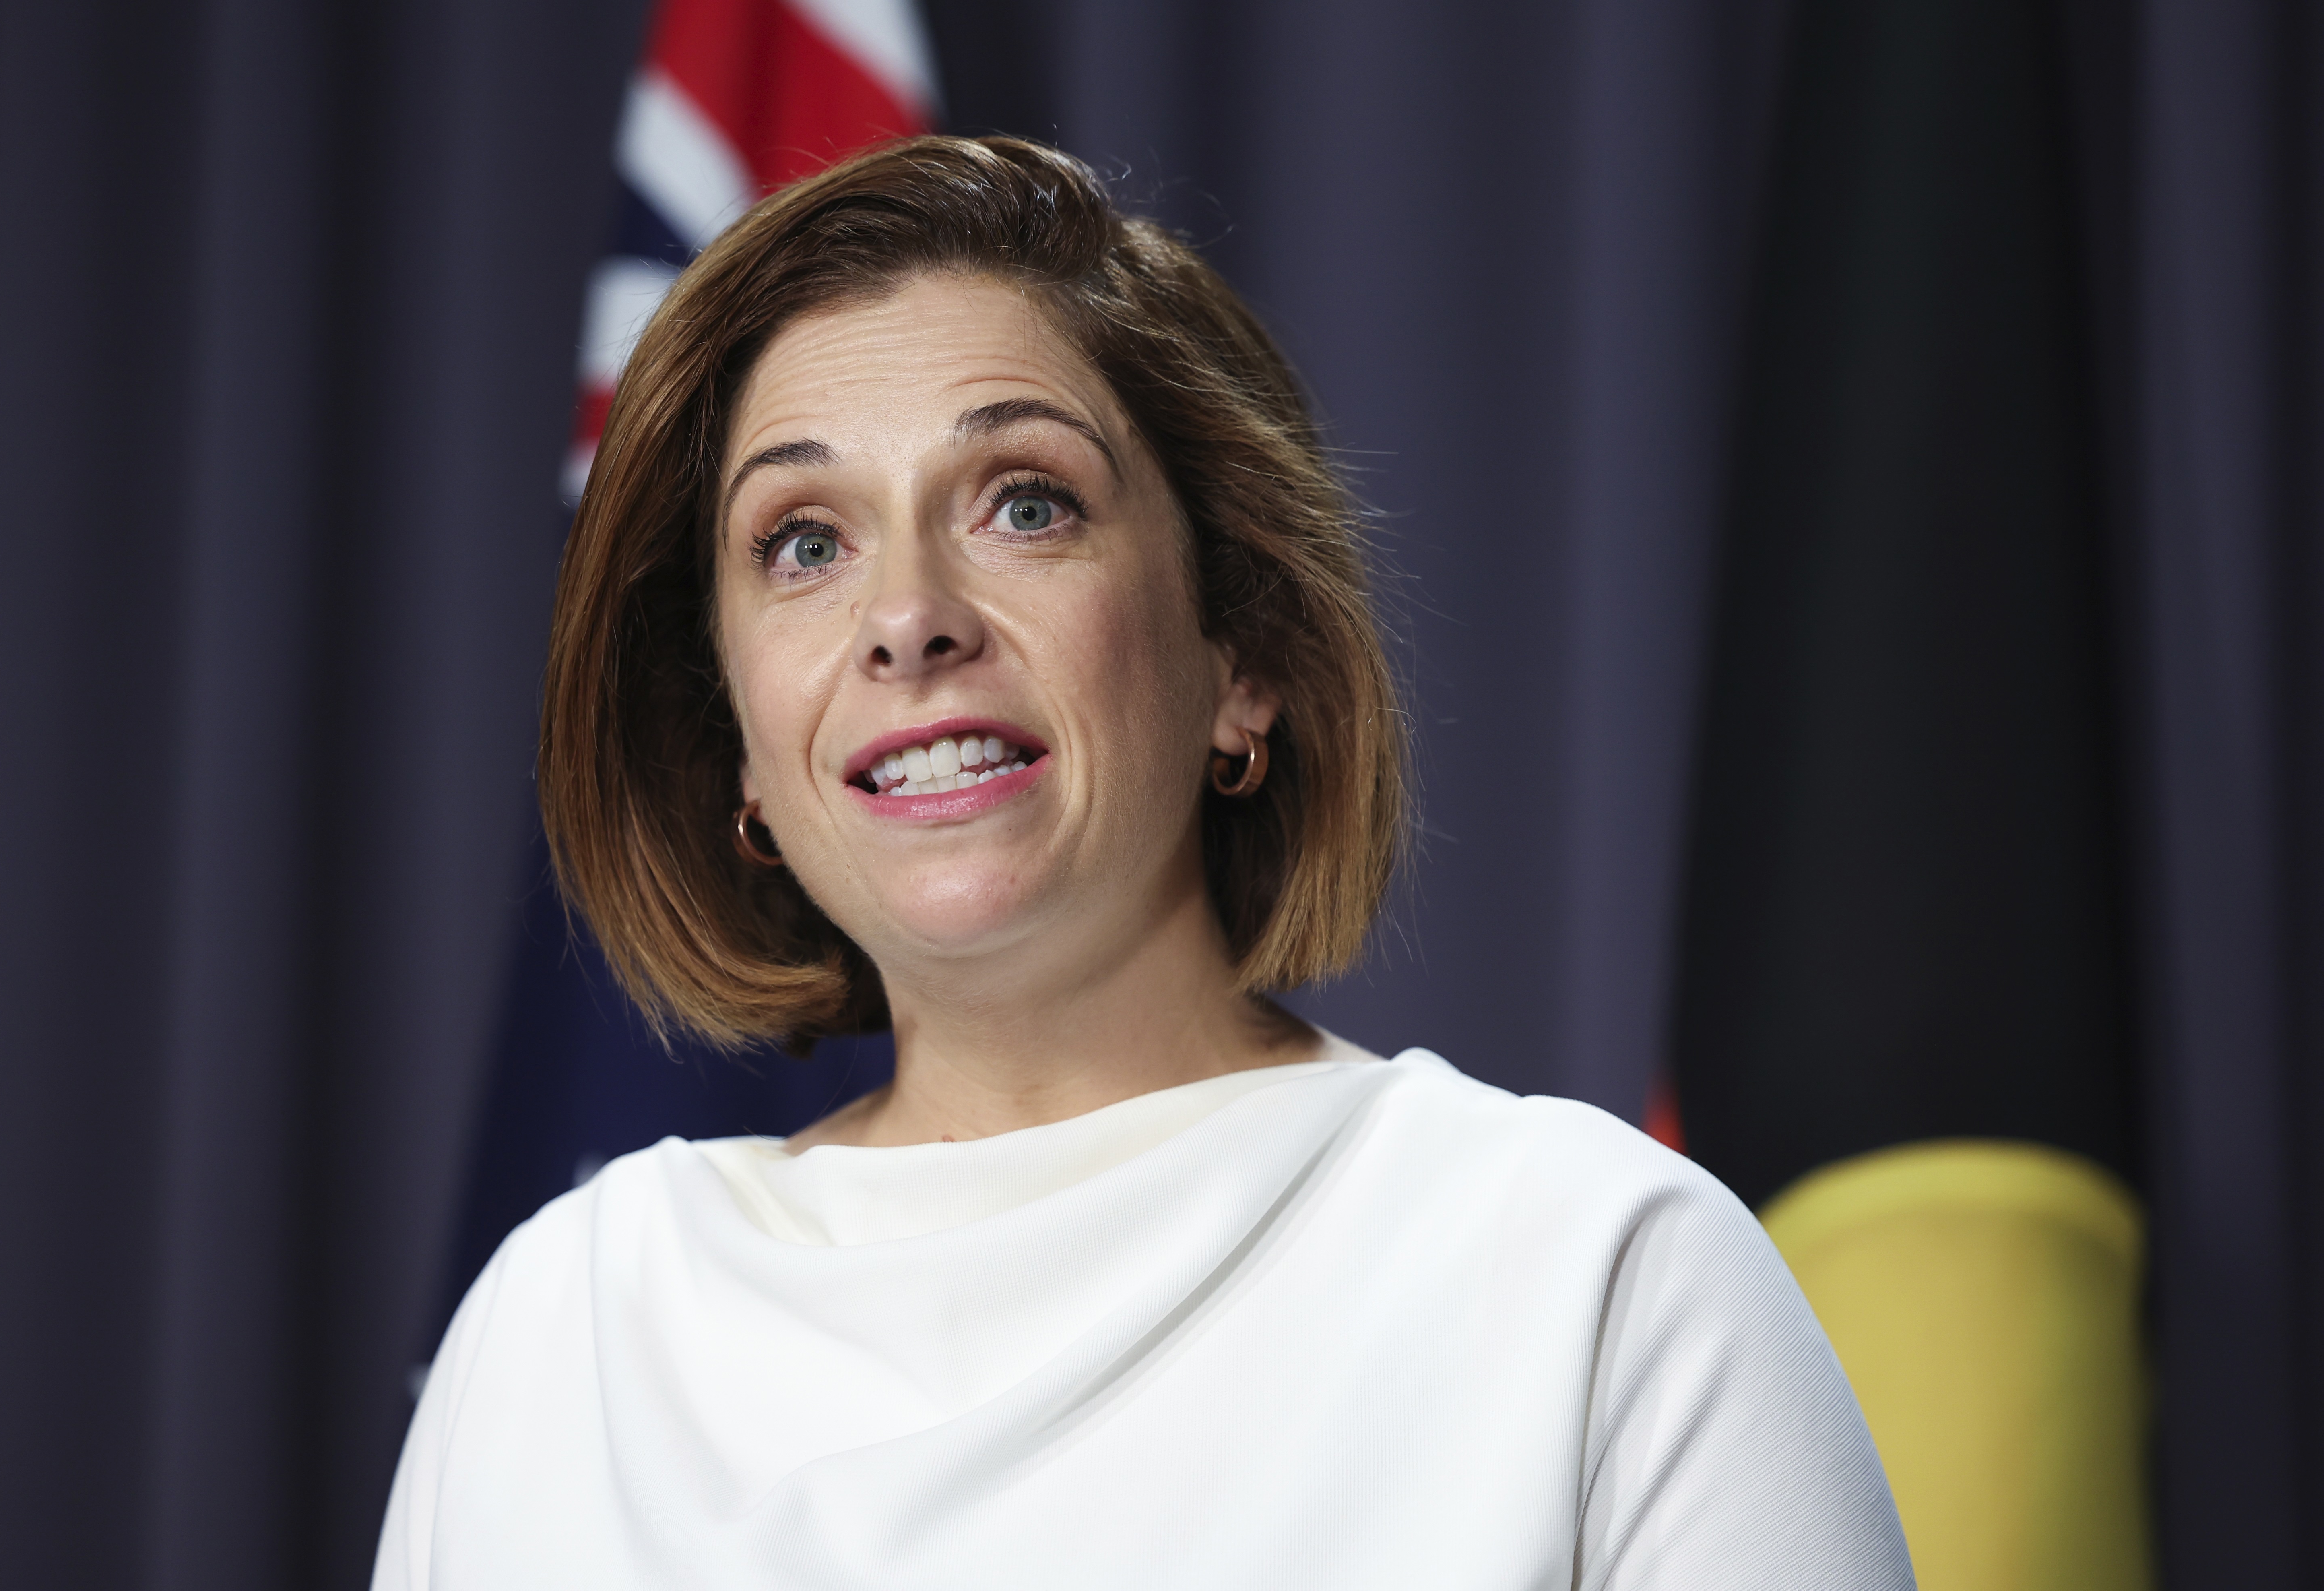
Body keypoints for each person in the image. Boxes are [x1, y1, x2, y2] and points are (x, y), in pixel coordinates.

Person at [374, 136, 1912, 1589]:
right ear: (737, 758)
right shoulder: (561, 1328)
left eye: (1025, 504)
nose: (909, 616)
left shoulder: (1595, 1275)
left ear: (1238, 656)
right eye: (804, 542)